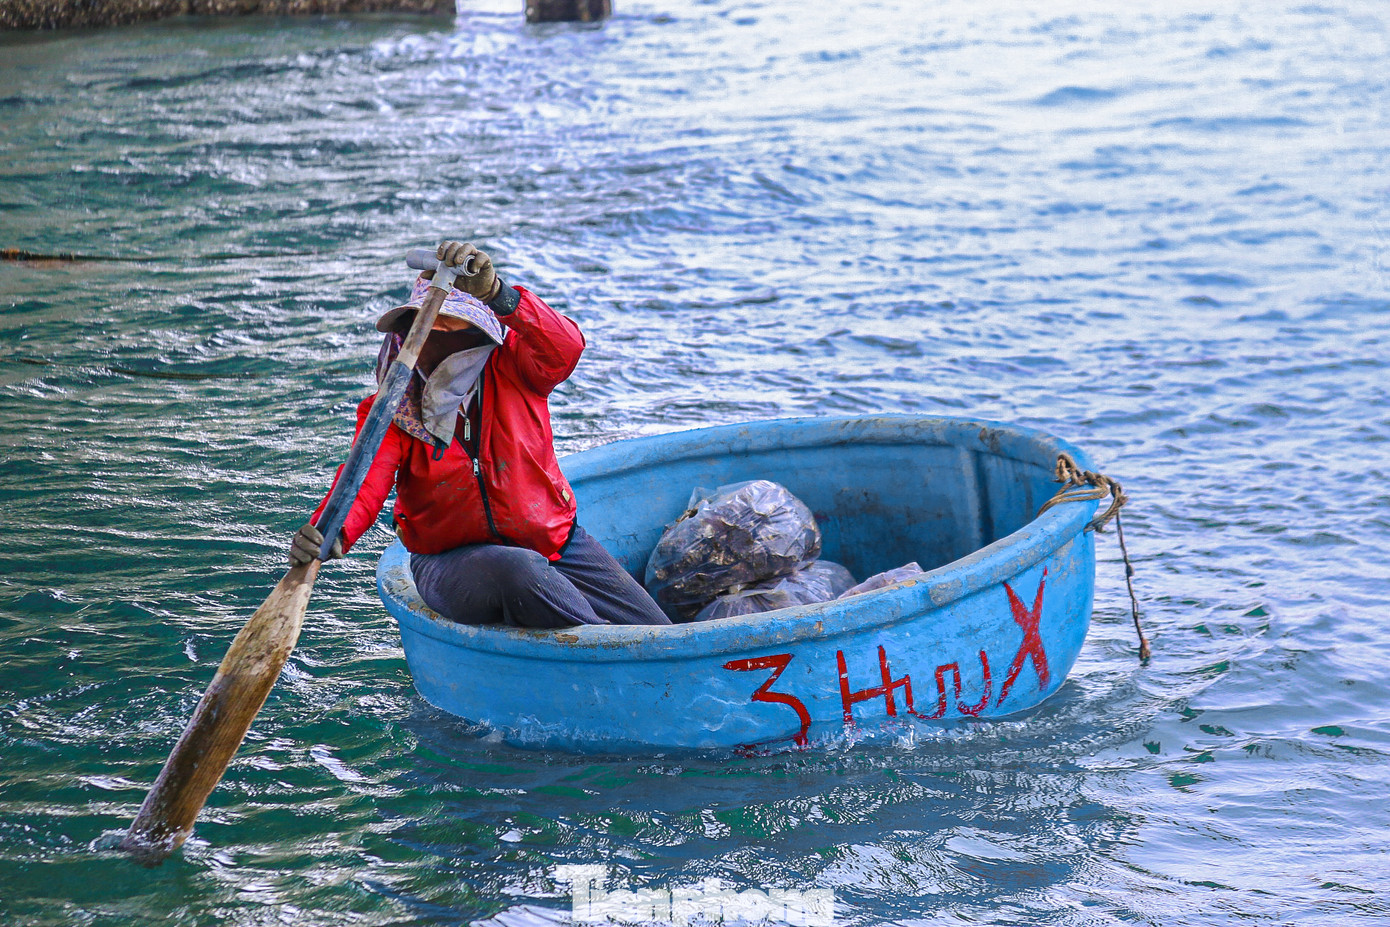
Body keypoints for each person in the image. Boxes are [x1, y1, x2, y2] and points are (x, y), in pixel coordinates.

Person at [288, 241, 671, 629]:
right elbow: (364, 481)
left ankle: (612, 643)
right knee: (518, 571)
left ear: (477, 331)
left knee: (659, 634)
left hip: (559, 545)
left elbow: (565, 347)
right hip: (451, 563)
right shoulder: (391, 406)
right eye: (426, 324)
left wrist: (497, 295)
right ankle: (604, 647)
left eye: (451, 323)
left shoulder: (516, 369)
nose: (437, 334)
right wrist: (329, 530)